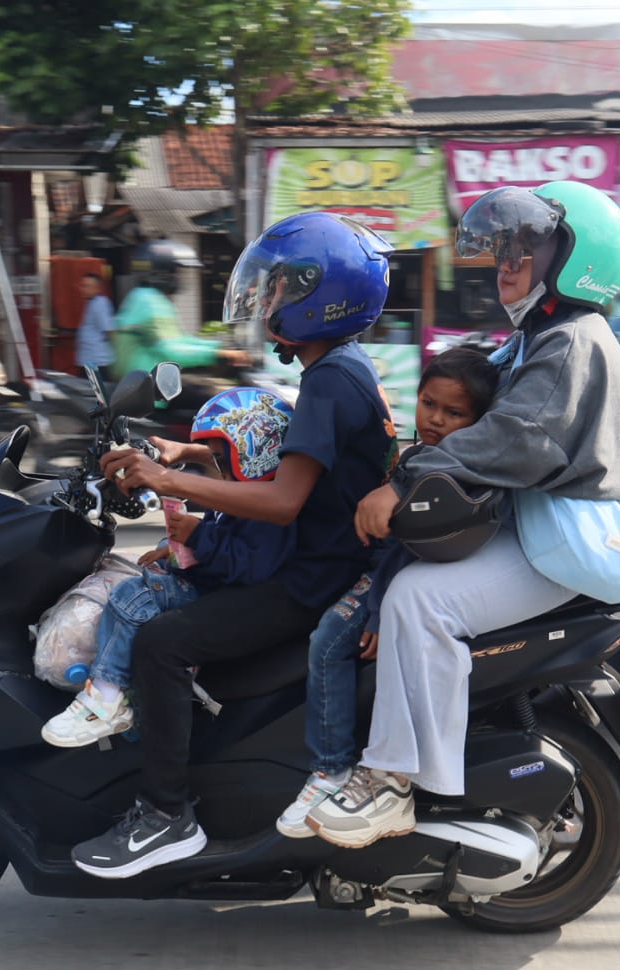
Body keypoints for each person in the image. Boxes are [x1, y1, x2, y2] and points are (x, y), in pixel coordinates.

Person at [304, 180, 620, 848]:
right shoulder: (539, 337)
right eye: (505, 246)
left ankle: (392, 780)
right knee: (411, 592)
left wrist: (403, 478)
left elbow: (512, 440)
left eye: (528, 247)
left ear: (572, 260)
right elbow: (471, 390)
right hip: (549, 530)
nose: (507, 262)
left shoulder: (570, 344)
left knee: (418, 600)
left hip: (573, 543)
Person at [71, 212, 397, 880]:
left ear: (321, 297)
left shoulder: (333, 379)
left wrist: (167, 478)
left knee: (164, 640)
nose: (268, 301)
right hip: (312, 558)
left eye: (280, 289)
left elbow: (283, 500)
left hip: (310, 579)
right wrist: (194, 450)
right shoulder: (339, 368)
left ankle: (166, 815)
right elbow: (289, 461)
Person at [276, 347, 499, 837]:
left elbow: (403, 556)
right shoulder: (416, 458)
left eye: (454, 412)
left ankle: (330, 768)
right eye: (428, 403)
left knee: (330, 641)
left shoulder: (443, 471)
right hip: (382, 574)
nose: (436, 419)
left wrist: (376, 613)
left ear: (479, 421)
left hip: (395, 584)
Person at [39, 386, 298, 748]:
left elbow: (249, 565)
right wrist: (177, 547)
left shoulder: (267, 506)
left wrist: (198, 537)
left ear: (255, 451)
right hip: (207, 575)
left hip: (226, 593)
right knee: (131, 571)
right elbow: (223, 537)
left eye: (222, 458)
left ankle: (106, 697)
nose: (215, 466)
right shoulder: (244, 489)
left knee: (130, 598)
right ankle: (129, 700)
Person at [112, 239, 239, 379]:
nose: (180, 277)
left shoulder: (148, 297)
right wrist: (217, 354)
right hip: (148, 389)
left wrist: (220, 347)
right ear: (162, 272)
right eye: (177, 272)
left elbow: (180, 339)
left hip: (150, 383)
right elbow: (170, 349)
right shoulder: (148, 301)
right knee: (210, 395)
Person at [74, 273, 115, 392]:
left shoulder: (100, 303)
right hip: (89, 360)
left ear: (97, 288)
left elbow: (109, 330)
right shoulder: (91, 303)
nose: (83, 288)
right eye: (83, 285)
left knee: (97, 397)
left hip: (97, 362)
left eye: (87, 286)